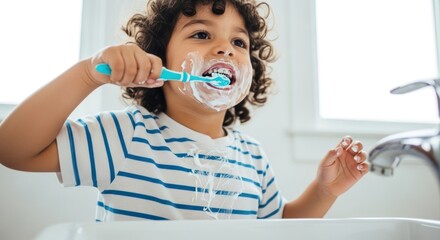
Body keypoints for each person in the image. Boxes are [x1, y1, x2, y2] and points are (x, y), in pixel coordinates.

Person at [0, 0, 368, 221]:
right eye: (202, 34)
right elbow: (13, 149)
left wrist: (324, 192)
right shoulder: (126, 137)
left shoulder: (253, 158)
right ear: (158, 60)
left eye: (238, 42)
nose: (225, 48)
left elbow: (277, 228)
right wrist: (86, 75)